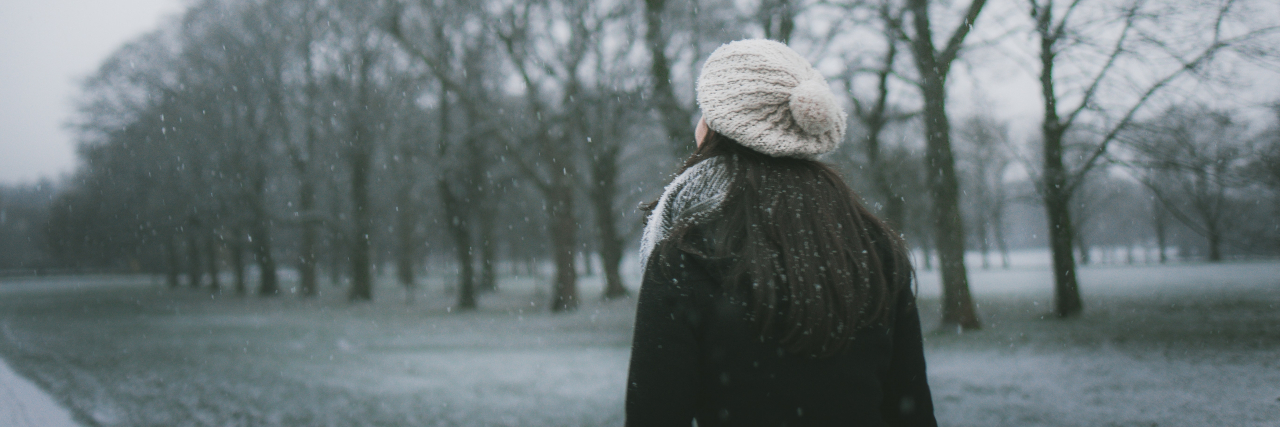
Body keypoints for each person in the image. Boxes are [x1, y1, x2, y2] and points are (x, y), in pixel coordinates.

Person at [625, 39, 937, 427]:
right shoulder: (874, 246)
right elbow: (911, 410)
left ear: (716, 129)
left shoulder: (689, 253)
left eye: (705, 111)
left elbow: (654, 413)